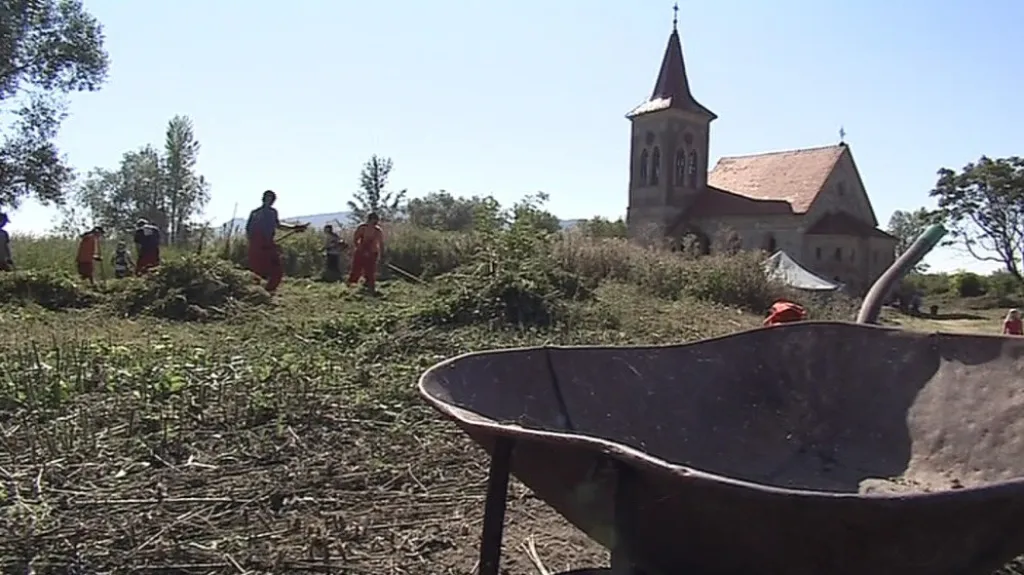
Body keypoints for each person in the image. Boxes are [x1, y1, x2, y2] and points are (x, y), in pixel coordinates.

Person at [245, 190, 308, 293]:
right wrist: (255, 243)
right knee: (257, 270)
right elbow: (248, 230)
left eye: (272, 199)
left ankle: (268, 291)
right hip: (257, 244)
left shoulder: (273, 212)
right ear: (264, 199)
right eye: (268, 198)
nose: (270, 201)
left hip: (268, 243)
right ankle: (255, 292)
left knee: (276, 269)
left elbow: (278, 225)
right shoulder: (255, 213)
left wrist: (294, 228)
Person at [348, 212, 384, 293]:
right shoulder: (362, 228)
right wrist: (360, 249)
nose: (375, 222)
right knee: (356, 268)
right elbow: (355, 239)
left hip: (372, 252)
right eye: (374, 220)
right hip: (361, 251)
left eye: (377, 220)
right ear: (369, 220)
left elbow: (381, 244)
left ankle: (369, 285)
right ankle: (352, 284)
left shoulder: (378, 231)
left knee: (370, 270)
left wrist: (382, 255)